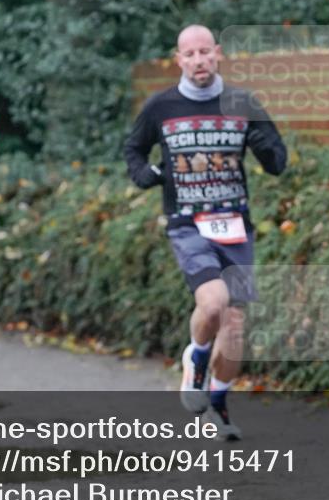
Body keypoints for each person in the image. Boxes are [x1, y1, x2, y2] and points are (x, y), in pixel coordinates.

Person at [123, 25, 287, 440]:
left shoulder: (242, 102)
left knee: (235, 328)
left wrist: (262, 145)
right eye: (189, 54)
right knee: (213, 303)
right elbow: (134, 149)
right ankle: (196, 357)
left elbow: (277, 161)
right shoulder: (161, 106)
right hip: (188, 224)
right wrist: (147, 175)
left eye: (204, 52)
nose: (198, 60)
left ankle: (217, 406)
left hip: (235, 225)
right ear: (178, 59)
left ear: (218, 54)